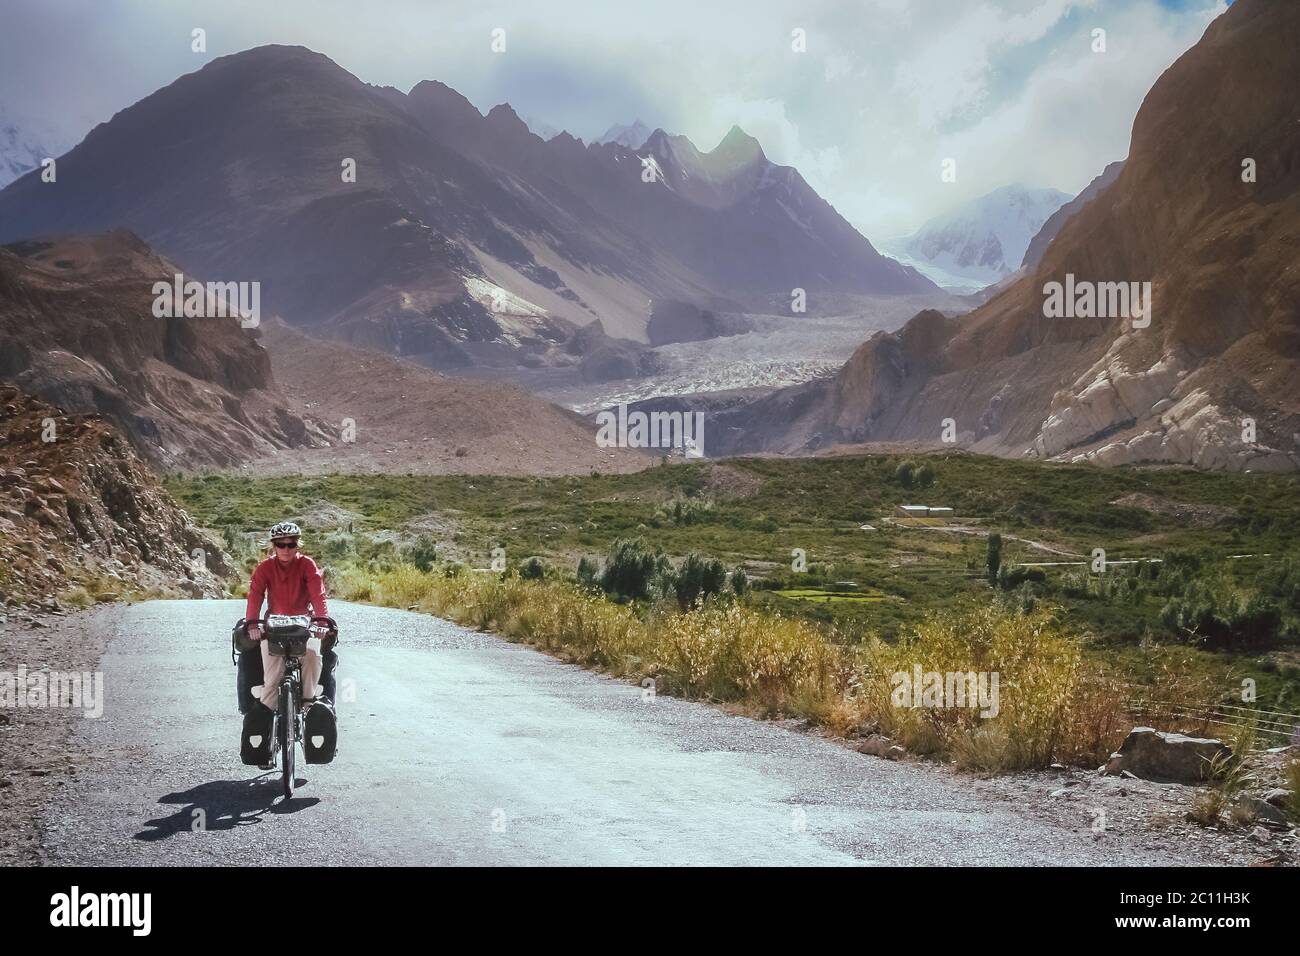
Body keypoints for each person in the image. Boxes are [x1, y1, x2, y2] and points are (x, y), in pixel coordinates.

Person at [240, 521, 337, 766]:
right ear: (273, 546)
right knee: (271, 681)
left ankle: (306, 704)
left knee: (313, 657)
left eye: (291, 544)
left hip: (303, 625)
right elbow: (255, 594)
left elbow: (318, 593)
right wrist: (252, 623)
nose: (285, 549)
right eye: (280, 544)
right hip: (273, 627)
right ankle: (266, 742)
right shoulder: (265, 567)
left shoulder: (306, 565)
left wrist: (322, 620)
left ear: (297, 544)